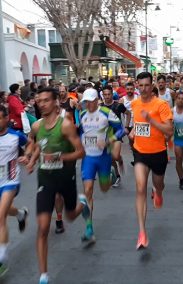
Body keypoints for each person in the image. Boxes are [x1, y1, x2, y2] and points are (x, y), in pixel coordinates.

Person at [25, 87, 90, 284]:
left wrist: (61, 156)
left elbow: (81, 152)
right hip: (45, 179)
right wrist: (29, 156)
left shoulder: (66, 126)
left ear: (55, 102)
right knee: (43, 227)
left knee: (70, 215)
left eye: (46, 100)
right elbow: (35, 143)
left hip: (65, 177)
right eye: (39, 101)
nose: (42, 103)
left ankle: (82, 204)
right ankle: (43, 275)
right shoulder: (37, 126)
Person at [130, 72, 173, 250]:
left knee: (158, 183)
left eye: (147, 85)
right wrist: (133, 131)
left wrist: (151, 120)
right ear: (137, 85)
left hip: (158, 153)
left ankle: (158, 192)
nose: (144, 89)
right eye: (141, 86)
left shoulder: (161, 105)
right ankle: (142, 232)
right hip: (140, 152)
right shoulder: (134, 104)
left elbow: (169, 131)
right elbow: (137, 124)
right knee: (140, 188)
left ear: (152, 85)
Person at [79, 88, 124, 243]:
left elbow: (120, 130)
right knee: (88, 190)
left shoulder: (105, 112)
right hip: (88, 158)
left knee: (104, 188)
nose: (88, 105)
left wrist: (108, 141)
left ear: (96, 100)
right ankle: (89, 228)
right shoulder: (82, 114)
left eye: (91, 101)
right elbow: (80, 133)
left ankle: (111, 176)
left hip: (104, 156)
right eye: (86, 102)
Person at [0, 105, 29, 277]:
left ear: (5, 119)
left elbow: (31, 145)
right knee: (5, 211)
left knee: (0, 215)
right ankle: (20, 214)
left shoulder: (15, 136)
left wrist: (28, 156)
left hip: (11, 180)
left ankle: (1, 259)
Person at [102, 86, 130, 187]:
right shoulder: (100, 107)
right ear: (103, 95)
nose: (107, 96)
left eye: (109, 94)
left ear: (111, 94)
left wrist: (126, 126)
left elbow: (128, 113)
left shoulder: (118, 105)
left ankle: (120, 159)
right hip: (105, 136)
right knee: (111, 158)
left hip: (117, 134)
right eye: (105, 95)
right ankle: (117, 176)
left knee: (115, 156)